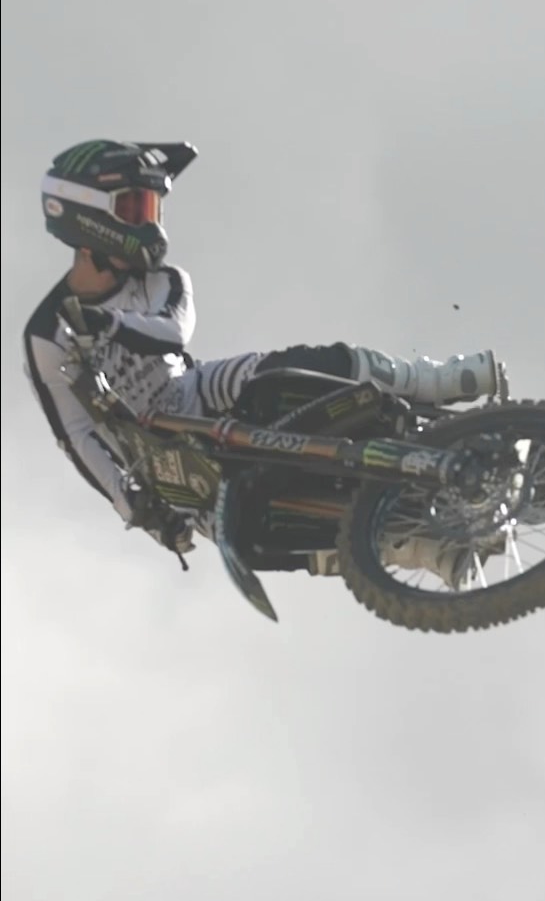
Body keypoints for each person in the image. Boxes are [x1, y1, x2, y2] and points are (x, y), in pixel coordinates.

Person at [23, 139, 498, 582]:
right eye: (133, 208)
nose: (149, 223)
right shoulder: (45, 335)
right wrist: (134, 508)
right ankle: (419, 549)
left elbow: (173, 332)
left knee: (286, 373)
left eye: (152, 208)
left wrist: (108, 324)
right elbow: (77, 436)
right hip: (162, 459)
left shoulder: (164, 280)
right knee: (244, 539)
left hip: (196, 392)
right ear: (87, 217)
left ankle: (436, 380)